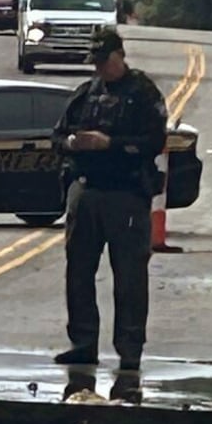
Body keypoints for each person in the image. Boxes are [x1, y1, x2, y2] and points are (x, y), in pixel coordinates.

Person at [50, 26, 168, 372]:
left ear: (120, 55)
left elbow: (154, 140)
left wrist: (110, 144)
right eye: (96, 62)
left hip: (126, 194)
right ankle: (83, 343)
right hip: (86, 191)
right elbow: (56, 136)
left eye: (105, 61)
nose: (100, 68)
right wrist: (73, 142)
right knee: (79, 272)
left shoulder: (143, 93)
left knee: (129, 277)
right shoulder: (85, 93)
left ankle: (130, 350)